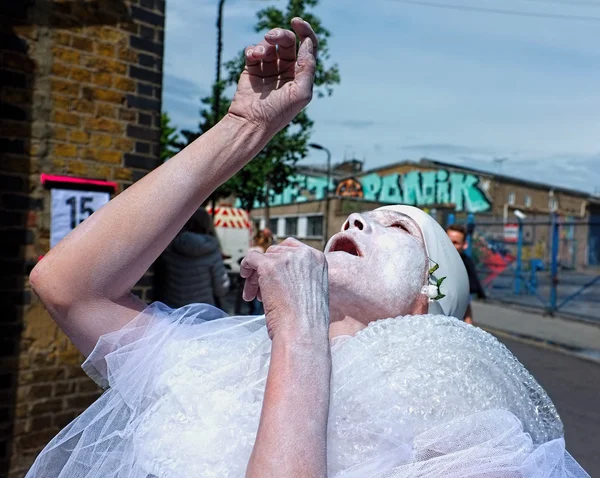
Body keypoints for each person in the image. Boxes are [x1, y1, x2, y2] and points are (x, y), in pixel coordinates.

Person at [26, 19, 587, 478]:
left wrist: (298, 328)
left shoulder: (456, 414)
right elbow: (68, 287)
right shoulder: (223, 364)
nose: (360, 221)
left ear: (425, 301)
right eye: (359, 216)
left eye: (397, 228)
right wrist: (244, 127)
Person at [159, 207, 230, 308]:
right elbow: (221, 289)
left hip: (173, 312)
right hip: (203, 313)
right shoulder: (211, 251)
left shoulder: (169, 248)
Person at [446, 223, 486, 324]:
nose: (450, 246)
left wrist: (469, 326)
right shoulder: (431, 260)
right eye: (447, 241)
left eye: (455, 242)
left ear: (465, 245)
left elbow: (465, 301)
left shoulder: (466, 265)